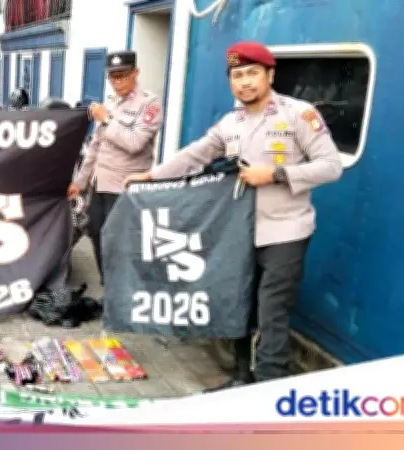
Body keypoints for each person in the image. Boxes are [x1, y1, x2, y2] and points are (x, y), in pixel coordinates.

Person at [124, 41, 343, 391]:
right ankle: (242, 376)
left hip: (285, 231)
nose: (245, 82)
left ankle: (270, 385)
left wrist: (275, 174)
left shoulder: (298, 114)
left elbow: (331, 166)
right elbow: (195, 153)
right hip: (240, 232)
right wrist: (151, 176)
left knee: (272, 310)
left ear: (270, 75)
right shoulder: (231, 122)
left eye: (252, 73)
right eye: (237, 76)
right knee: (238, 304)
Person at [67, 50, 163, 284]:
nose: (117, 82)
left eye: (122, 76)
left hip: (124, 187)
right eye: (113, 77)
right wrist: (80, 182)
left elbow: (135, 143)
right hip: (100, 184)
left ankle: (121, 290)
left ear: (135, 73)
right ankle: (109, 286)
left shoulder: (149, 104)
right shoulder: (110, 103)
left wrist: (107, 119)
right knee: (96, 233)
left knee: (120, 242)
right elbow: (95, 146)